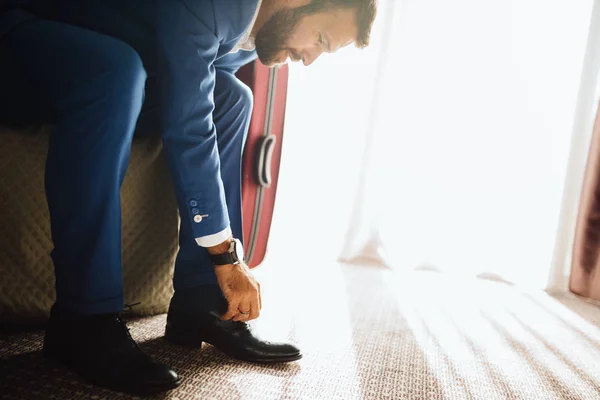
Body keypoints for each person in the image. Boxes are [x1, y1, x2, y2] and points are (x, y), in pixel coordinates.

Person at [0, 0, 377, 395]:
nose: (310, 59)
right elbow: (188, 124)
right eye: (319, 38)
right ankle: (83, 319)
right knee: (116, 71)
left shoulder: (255, 34)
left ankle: (201, 303)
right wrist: (227, 257)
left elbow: (196, 90)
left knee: (232, 98)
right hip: (25, 34)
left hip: (114, 61)